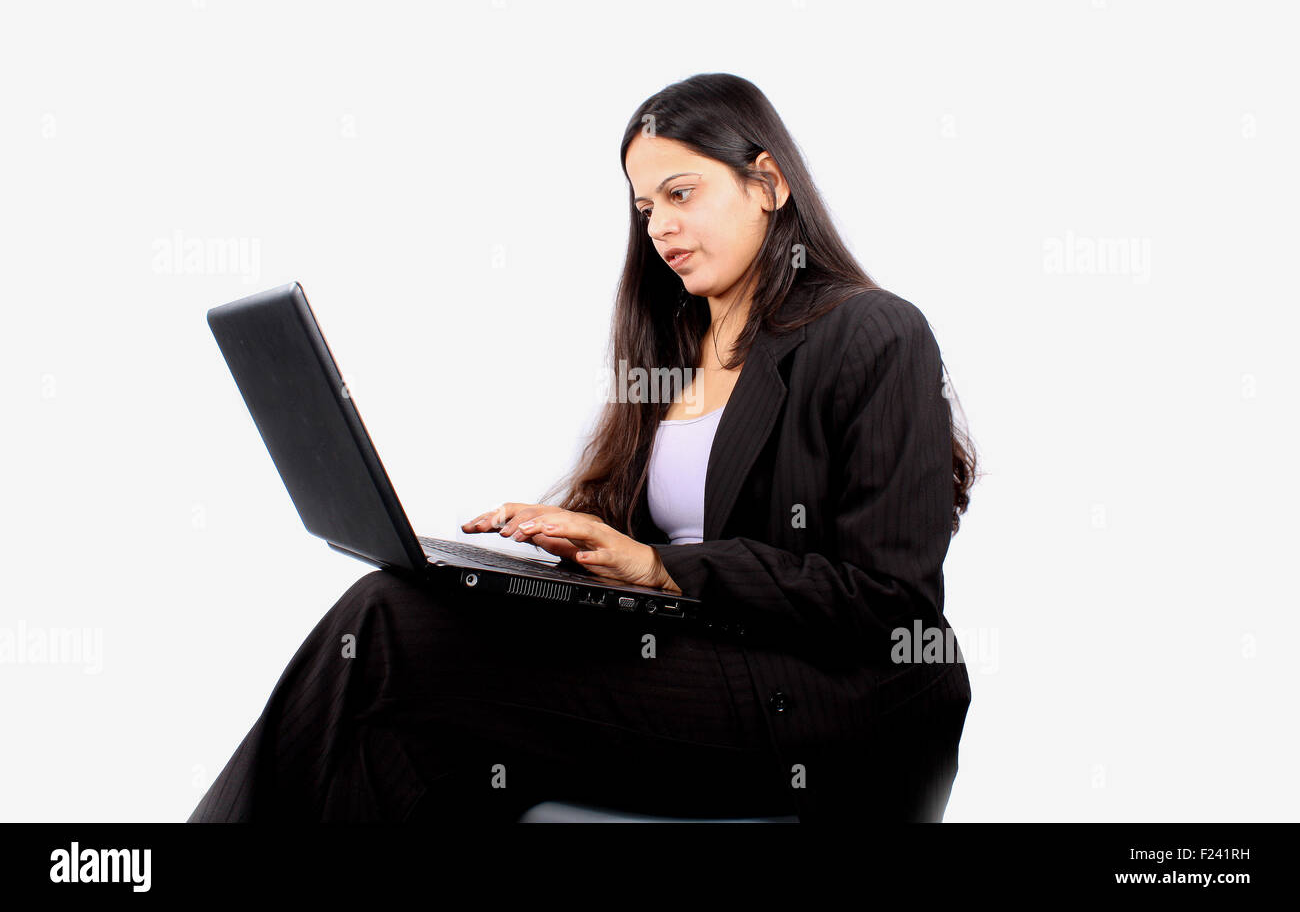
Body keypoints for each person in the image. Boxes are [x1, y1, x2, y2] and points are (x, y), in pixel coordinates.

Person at [189, 72, 979, 823]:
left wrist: (663, 568)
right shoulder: (668, 350)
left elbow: (891, 603)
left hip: (829, 698)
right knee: (397, 732)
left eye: (681, 194)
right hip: (690, 661)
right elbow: (637, 540)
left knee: (389, 627)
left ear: (768, 184)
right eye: (643, 208)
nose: (660, 226)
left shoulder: (873, 331)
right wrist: (554, 554)